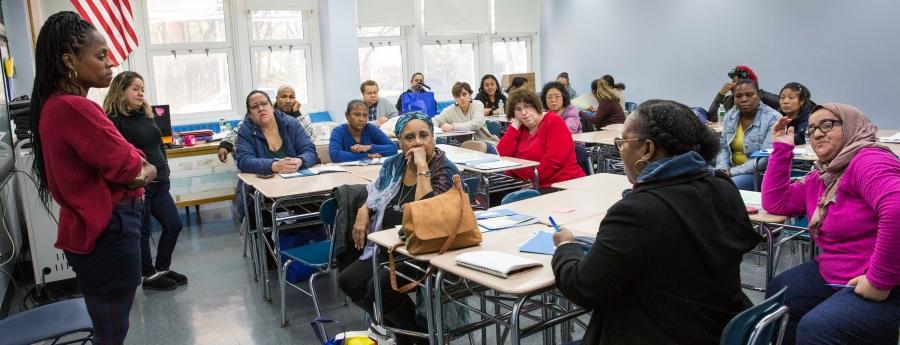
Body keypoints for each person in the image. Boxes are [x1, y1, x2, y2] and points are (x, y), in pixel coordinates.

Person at [552, 100, 760, 344]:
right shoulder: (723, 187)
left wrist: (566, 248)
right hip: (714, 328)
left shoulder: (637, 212)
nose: (620, 149)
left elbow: (583, 288)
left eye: (623, 142)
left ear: (647, 149)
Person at [29, 11, 157, 344]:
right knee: (113, 331)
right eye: (101, 56)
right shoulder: (74, 107)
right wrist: (143, 168)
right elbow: (132, 169)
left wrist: (136, 163)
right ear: (70, 61)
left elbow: (128, 159)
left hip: (99, 232)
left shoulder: (59, 105)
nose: (110, 62)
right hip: (109, 233)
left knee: (108, 327)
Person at [763, 104, 900, 345]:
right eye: (812, 128)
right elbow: (777, 202)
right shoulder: (825, 174)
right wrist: (783, 148)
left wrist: (879, 281)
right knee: (779, 292)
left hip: (887, 281)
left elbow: (897, 208)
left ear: (852, 127)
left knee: (817, 328)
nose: (816, 133)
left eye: (828, 124)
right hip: (839, 272)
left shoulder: (868, 160)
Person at [337, 112, 460, 345]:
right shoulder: (395, 164)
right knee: (348, 281)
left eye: (424, 135)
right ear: (400, 143)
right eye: (409, 137)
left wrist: (423, 166)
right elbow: (374, 192)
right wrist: (364, 209)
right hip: (388, 246)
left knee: (379, 287)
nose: (417, 142)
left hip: (426, 251)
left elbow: (429, 214)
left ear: (433, 138)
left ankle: (415, 337)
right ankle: (406, 331)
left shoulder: (445, 169)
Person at [104, 71, 186, 291]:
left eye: (142, 89)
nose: (141, 93)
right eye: (135, 89)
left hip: (160, 182)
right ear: (121, 90)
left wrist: (165, 166)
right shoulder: (113, 121)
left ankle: (162, 268)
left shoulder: (146, 114)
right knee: (143, 231)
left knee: (173, 225)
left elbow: (158, 144)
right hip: (140, 185)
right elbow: (118, 155)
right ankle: (149, 276)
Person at [497, 88, 585, 191]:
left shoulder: (553, 122)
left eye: (527, 107)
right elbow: (501, 154)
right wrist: (514, 127)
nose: (524, 112)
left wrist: (515, 170)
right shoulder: (520, 127)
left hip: (562, 184)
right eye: (518, 109)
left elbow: (551, 164)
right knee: (491, 196)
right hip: (528, 182)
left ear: (536, 106)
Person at [217, 85, 317, 163]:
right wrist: (225, 145)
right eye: (284, 97)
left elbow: (310, 138)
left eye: (291, 97)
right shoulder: (263, 114)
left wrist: (296, 113)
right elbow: (239, 129)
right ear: (276, 99)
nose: (288, 101)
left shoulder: (300, 116)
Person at [714, 79, 782, 190]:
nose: (744, 99)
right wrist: (721, 170)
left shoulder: (773, 118)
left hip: (758, 173)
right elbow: (723, 148)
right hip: (729, 170)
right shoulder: (730, 115)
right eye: (738, 96)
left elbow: (763, 160)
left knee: (724, 189)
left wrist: (730, 173)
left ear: (759, 95)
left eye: (749, 94)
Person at [235, 90, 318, 175]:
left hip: (295, 181)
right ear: (249, 113)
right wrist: (273, 166)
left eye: (264, 104)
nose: (261, 109)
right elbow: (243, 161)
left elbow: (310, 152)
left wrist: (300, 161)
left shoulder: (291, 123)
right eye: (254, 107)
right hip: (261, 184)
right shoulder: (245, 130)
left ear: (272, 106)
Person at [433, 82, 499, 151]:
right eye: (458, 96)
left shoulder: (478, 105)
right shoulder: (450, 110)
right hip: (462, 145)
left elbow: (476, 124)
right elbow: (435, 121)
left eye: (464, 94)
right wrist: (436, 129)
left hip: (485, 142)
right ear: (455, 98)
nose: (461, 98)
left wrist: (453, 127)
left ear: (470, 94)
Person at [329, 100, 397, 163]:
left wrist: (368, 147)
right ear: (347, 116)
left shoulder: (370, 129)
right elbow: (335, 155)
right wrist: (367, 156)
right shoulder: (338, 132)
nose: (361, 119)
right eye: (357, 115)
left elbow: (393, 148)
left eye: (365, 115)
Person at [707, 65, 779, 122]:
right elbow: (711, 117)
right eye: (732, 81)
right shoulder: (729, 100)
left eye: (734, 81)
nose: (732, 84)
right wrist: (721, 93)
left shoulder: (761, 95)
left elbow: (782, 103)